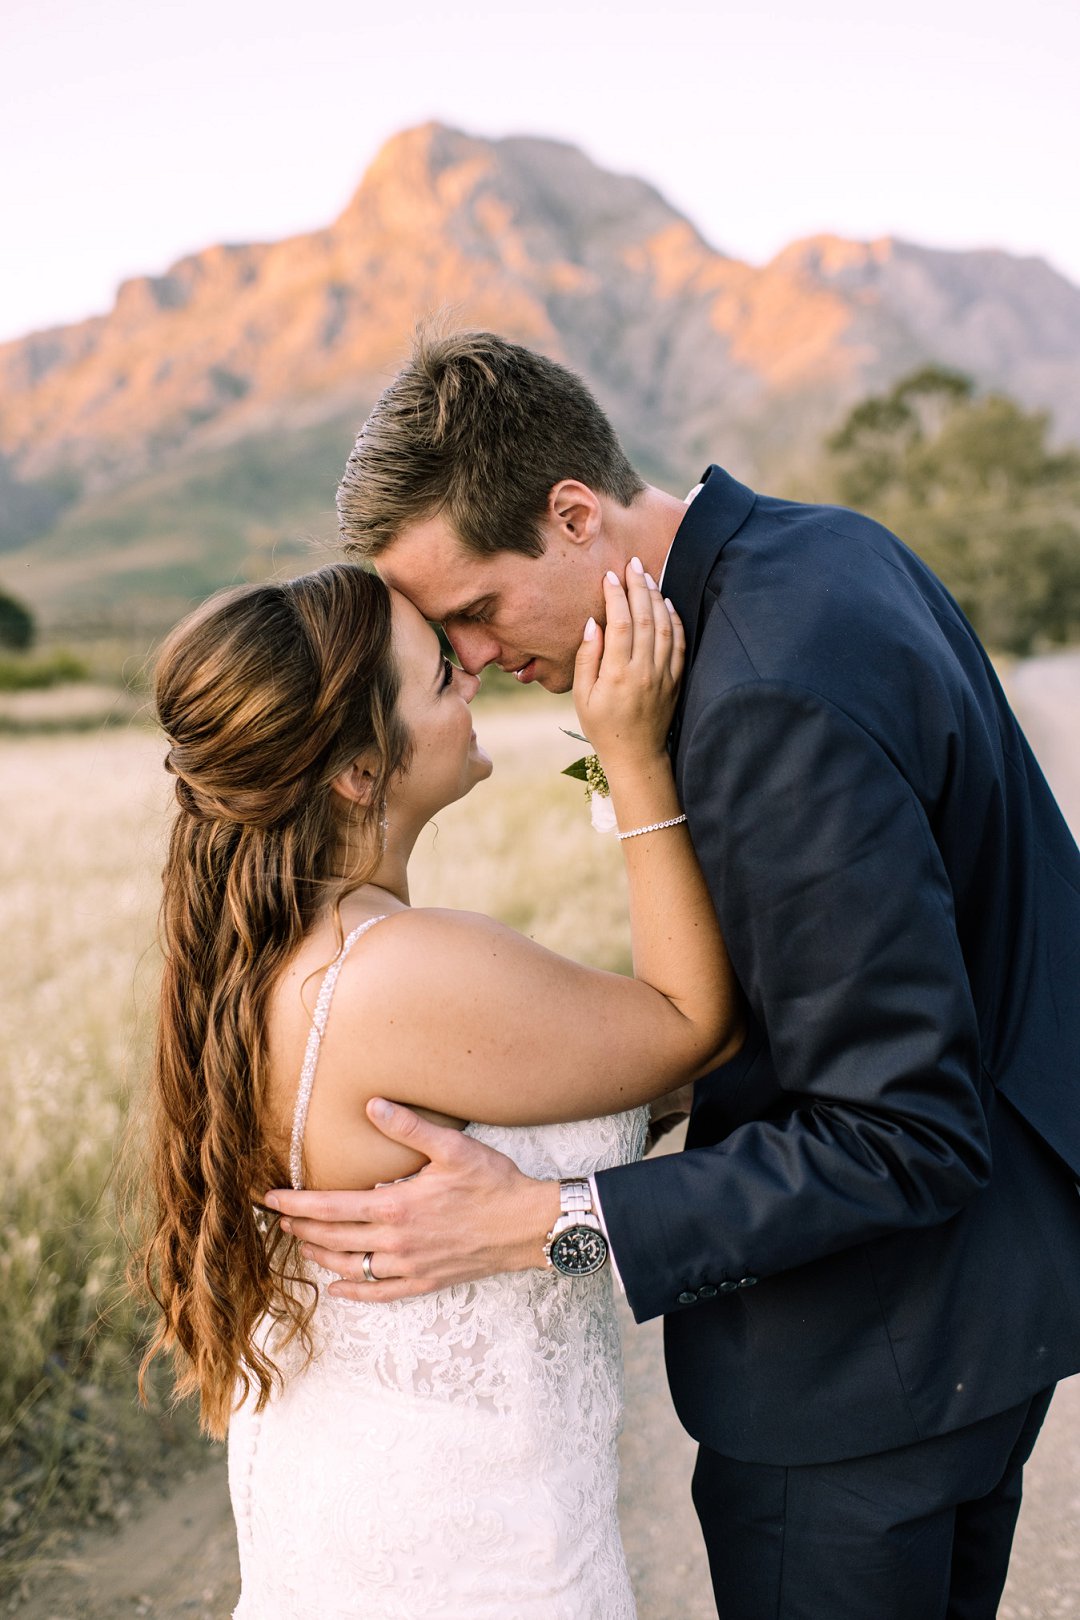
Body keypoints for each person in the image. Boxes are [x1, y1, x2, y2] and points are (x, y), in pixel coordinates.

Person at [267, 331, 1080, 1620]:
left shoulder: (762, 694)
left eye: (474, 609)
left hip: (862, 1384)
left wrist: (550, 1222)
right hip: (979, 1324)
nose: (471, 658)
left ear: (573, 513)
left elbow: (900, 1134)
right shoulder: (824, 547)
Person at [137, 558, 744, 1619]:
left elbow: (615, 1088)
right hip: (478, 1563)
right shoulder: (400, 971)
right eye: (438, 675)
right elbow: (696, 1027)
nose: (473, 671)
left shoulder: (294, 960)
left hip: (380, 1541)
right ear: (361, 773)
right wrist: (634, 756)